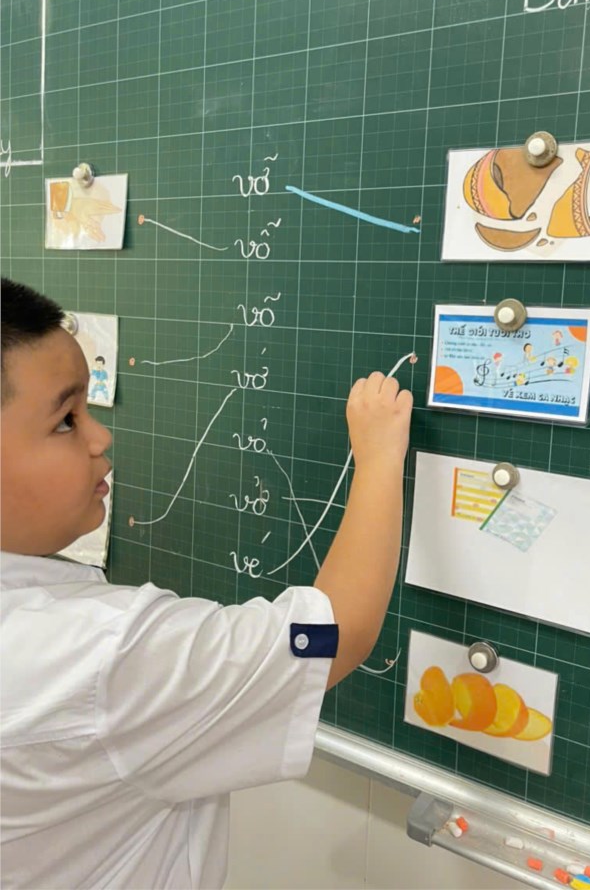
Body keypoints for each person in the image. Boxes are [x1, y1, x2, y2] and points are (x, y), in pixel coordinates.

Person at [0, 277, 413, 890]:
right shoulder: (106, 655)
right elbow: (334, 633)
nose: (100, 437)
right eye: (66, 420)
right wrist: (378, 457)